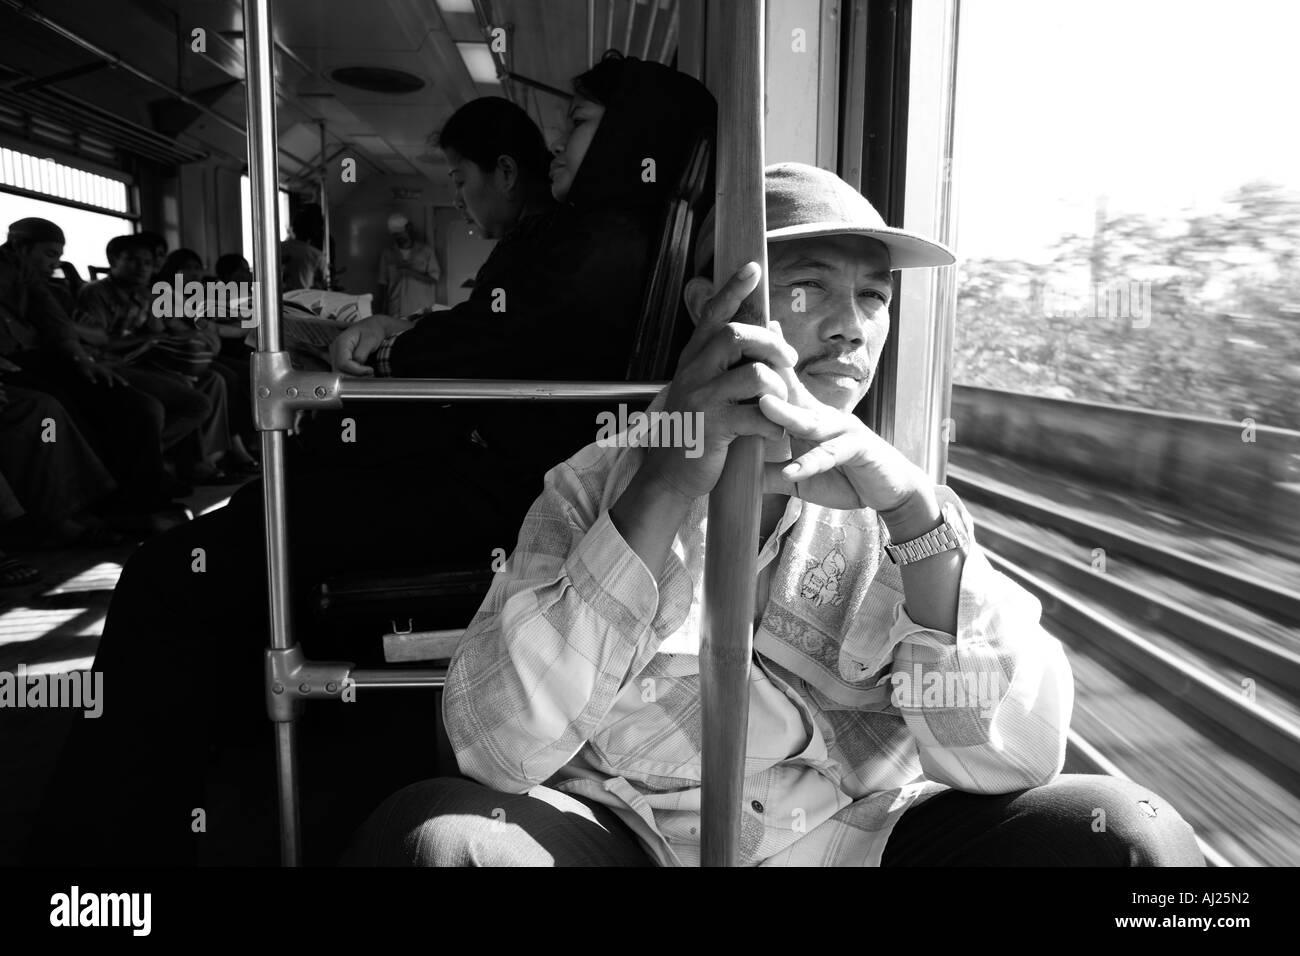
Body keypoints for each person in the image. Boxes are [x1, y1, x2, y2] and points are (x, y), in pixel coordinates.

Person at [344, 164, 1206, 868]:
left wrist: (914, 519)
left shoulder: (903, 501)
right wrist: (665, 489)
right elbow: (495, 752)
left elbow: (1007, 758)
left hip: (852, 836)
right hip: (631, 838)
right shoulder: (596, 482)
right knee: (440, 843)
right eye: (807, 288)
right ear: (706, 310)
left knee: (1129, 838)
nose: (850, 328)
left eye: (873, 297)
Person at [29, 58, 718, 867]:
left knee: (168, 575)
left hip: (493, 502)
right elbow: (503, 340)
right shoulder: (604, 236)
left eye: (579, 124)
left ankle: (93, 852)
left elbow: (492, 351)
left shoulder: (604, 241)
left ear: (632, 134)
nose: (558, 145)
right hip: (492, 475)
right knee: (247, 532)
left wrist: (393, 353)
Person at [0, 217, 188, 512]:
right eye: (49, 254)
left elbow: (58, 324)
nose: (55, 263)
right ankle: (108, 504)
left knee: (138, 406)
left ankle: (142, 497)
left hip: (52, 360)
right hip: (18, 365)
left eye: (59, 256)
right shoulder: (91, 292)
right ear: (19, 246)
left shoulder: (36, 281)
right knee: (63, 406)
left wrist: (82, 360)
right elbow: (93, 336)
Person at [376, 213, 441, 317]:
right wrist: (380, 309)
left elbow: (434, 279)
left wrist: (409, 273)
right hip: (395, 309)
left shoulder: (426, 251)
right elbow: (383, 283)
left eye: (401, 233)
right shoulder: (387, 254)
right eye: (395, 235)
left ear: (409, 229)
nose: (399, 237)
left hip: (420, 309)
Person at [281, 208, 327, 291]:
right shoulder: (316, 256)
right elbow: (322, 288)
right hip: (304, 302)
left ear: (294, 227)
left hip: (277, 301)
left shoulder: (277, 249)